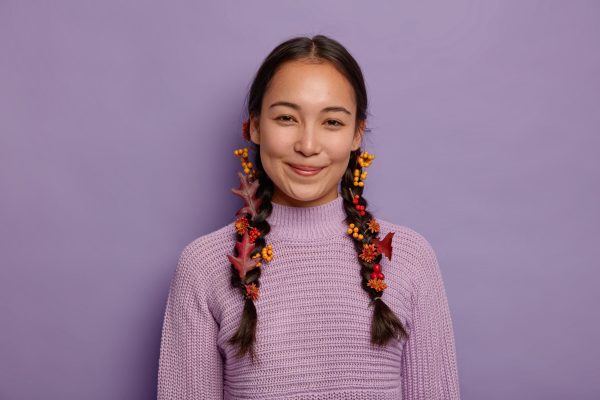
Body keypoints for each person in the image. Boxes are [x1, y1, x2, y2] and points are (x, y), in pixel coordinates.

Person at [157, 34, 461, 399]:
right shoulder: (203, 267)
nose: (308, 145)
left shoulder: (412, 260)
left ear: (356, 134)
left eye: (331, 122)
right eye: (286, 118)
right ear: (254, 126)